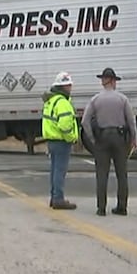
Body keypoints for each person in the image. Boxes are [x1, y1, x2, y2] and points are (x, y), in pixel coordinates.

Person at [81, 67, 137, 216]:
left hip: (102, 138)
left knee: (102, 174)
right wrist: (134, 139)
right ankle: (122, 207)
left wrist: (93, 138)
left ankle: (101, 208)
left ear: (103, 81)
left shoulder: (95, 99)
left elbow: (85, 121)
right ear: (113, 81)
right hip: (120, 138)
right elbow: (131, 121)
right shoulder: (122, 99)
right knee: (121, 174)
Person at [41, 71, 79, 210]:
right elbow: (65, 125)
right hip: (61, 141)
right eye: (69, 85)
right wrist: (71, 138)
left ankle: (54, 197)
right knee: (60, 171)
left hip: (52, 140)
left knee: (55, 170)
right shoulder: (62, 102)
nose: (71, 87)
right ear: (64, 86)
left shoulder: (51, 100)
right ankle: (58, 199)